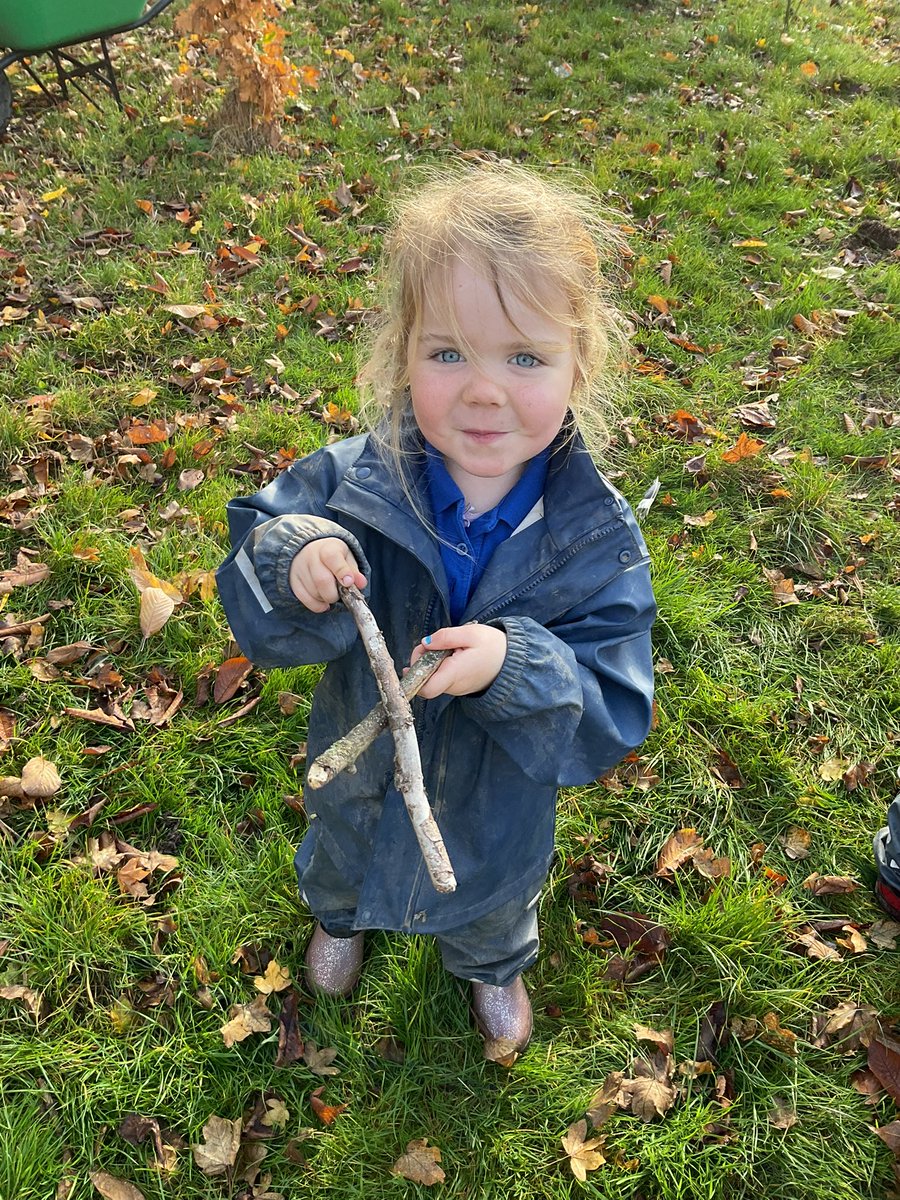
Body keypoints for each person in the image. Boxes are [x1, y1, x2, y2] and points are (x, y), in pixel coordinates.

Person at [216, 163, 656, 1064]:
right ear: (404, 350)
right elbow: (257, 556)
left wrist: (512, 665)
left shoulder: (594, 542)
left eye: (525, 357)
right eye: (448, 352)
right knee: (341, 852)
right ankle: (342, 920)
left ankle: (493, 965)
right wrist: (293, 550)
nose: (485, 391)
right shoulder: (357, 482)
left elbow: (610, 707)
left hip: (499, 812)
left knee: (492, 897)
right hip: (360, 768)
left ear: (582, 365)